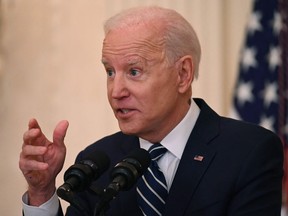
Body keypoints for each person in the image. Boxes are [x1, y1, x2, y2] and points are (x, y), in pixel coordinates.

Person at [19, 6, 284, 216]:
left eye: (134, 71)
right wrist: (41, 192)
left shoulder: (249, 151)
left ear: (182, 74)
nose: (116, 91)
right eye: (110, 72)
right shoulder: (97, 162)